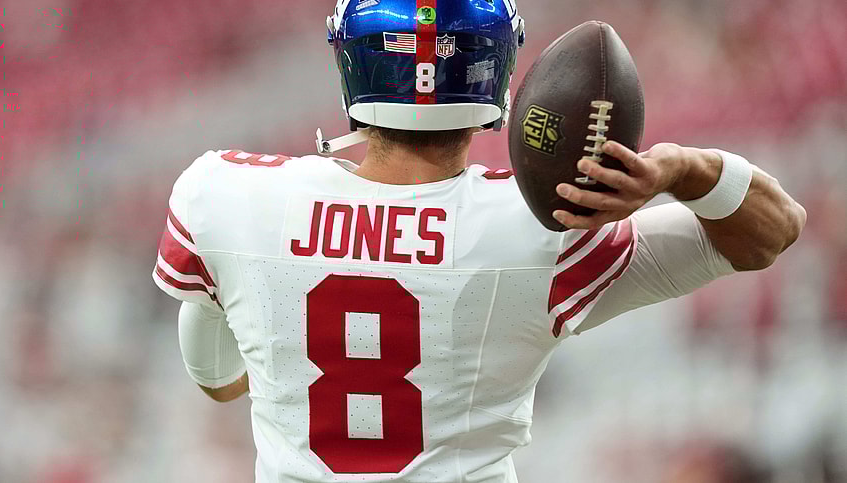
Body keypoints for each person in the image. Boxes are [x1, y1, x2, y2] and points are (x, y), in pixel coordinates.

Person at [151, 0, 806, 481]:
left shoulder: (225, 195)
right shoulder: (544, 227)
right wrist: (683, 168)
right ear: (498, 73)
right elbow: (771, 232)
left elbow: (216, 378)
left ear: (351, 61)